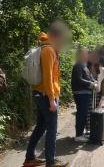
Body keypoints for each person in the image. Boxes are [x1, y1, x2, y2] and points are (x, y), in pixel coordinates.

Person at [24, 21, 70, 167]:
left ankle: (30, 158)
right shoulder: (48, 50)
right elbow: (48, 78)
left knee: (41, 127)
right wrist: (52, 100)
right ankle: (51, 162)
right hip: (46, 95)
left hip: (39, 93)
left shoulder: (44, 47)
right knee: (52, 128)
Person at [71, 49, 97, 142]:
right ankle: (78, 135)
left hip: (85, 93)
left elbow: (89, 76)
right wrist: (91, 84)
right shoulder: (78, 64)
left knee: (84, 113)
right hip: (81, 93)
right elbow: (79, 79)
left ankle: (80, 133)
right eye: (86, 54)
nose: (87, 56)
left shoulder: (83, 64)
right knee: (81, 114)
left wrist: (94, 81)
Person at [85, 51, 104, 133]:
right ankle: (88, 129)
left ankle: (95, 129)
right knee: (88, 112)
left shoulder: (102, 70)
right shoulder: (86, 68)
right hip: (88, 92)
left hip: (98, 93)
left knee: (97, 111)